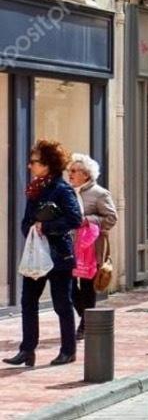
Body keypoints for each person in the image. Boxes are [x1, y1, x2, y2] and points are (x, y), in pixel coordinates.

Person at [4, 140, 83, 367]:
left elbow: (75, 219)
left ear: (48, 164)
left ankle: (68, 350)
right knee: (28, 301)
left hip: (58, 255)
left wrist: (46, 227)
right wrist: (28, 229)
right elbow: (27, 220)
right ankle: (27, 350)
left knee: (62, 303)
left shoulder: (62, 188)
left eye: (34, 162)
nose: (30, 166)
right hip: (36, 255)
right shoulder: (36, 188)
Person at [68, 153, 117, 340]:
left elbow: (111, 218)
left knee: (87, 286)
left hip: (91, 247)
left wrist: (87, 220)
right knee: (69, 286)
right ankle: (87, 318)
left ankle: (85, 325)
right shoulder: (69, 192)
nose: (70, 174)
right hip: (70, 246)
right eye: (69, 171)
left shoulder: (100, 193)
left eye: (74, 171)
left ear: (86, 174)